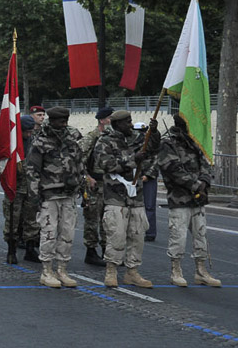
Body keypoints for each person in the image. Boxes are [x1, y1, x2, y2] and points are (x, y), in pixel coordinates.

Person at [93, 110, 157, 288]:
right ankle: (111, 270)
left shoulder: (138, 139)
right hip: (116, 196)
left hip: (136, 196)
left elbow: (153, 151)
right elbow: (106, 164)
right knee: (116, 235)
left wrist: (154, 133)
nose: (130, 124)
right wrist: (132, 160)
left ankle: (132, 272)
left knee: (137, 236)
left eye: (131, 121)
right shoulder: (105, 141)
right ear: (116, 124)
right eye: (127, 122)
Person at [157, 113, 221, 287]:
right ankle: (176, 271)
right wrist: (196, 185)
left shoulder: (194, 142)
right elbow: (173, 170)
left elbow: (205, 164)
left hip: (198, 199)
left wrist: (205, 183)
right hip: (180, 198)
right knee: (178, 236)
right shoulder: (168, 144)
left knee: (201, 235)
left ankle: (201, 271)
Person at [25, 107, 85, 288]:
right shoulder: (40, 142)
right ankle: (47, 270)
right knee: (49, 233)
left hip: (69, 193)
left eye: (66, 121)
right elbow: (32, 170)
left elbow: (80, 162)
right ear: (51, 121)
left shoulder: (72, 138)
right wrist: (34, 197)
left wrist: (81, 184)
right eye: (60, 121)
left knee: (67, 233)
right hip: (49, 194)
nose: (64, 124)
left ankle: (62, 269)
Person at [79, 107, 114, 266]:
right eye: (110, 118)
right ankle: (91, 251)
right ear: (102, 120)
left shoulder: (112, 138)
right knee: (92, 219)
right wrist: (87, 177)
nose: (112, 121)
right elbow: (77, 158)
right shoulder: (92, 137)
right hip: (94, 185)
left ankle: (108, 251)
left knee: (109, 220)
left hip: (109, 184)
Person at [3, 114, 39, 264]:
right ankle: (11, 250)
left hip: (31, 187)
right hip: (16, 187)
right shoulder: (12, 143)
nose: (29, 134)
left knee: (32, 220)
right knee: (13, 219)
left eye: (31, 131)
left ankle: (30, 249)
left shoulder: (35, 141)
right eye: (26, 132)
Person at [133, 122, 161, 242]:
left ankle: (150, 232)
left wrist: (148, 175)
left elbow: (156, 160)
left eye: (144, 132)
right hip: (134, 177)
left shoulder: (151, 143)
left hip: (149, 178)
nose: (142, 134)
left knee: (149, 206)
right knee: (133, 206)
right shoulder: (130, 142)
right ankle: (135, 230)